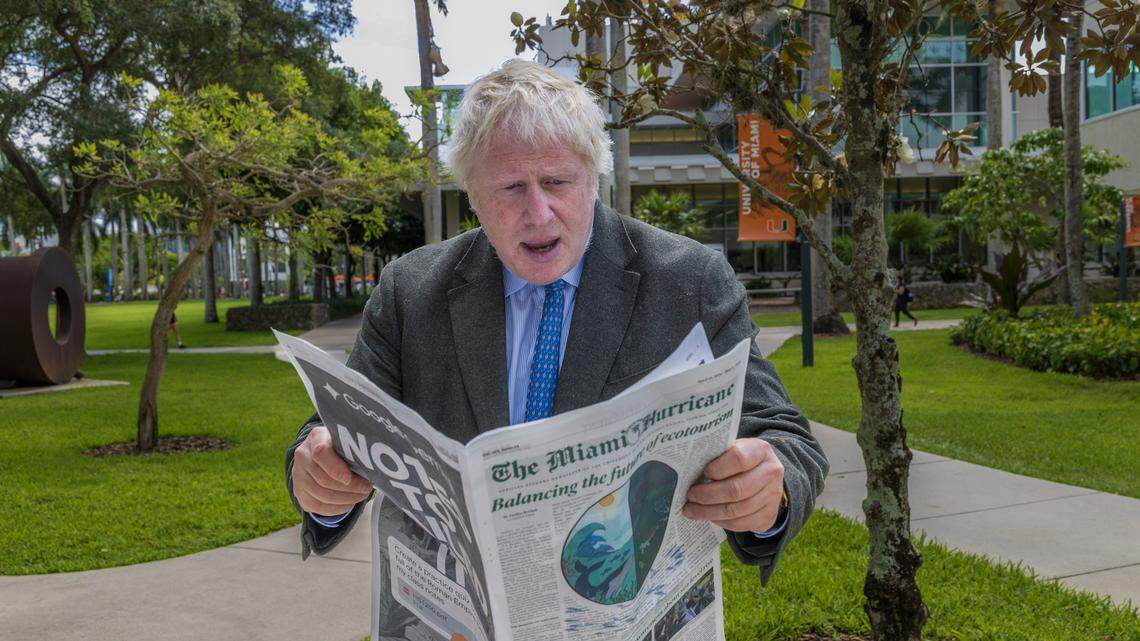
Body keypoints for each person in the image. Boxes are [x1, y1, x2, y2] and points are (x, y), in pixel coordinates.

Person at [285, 60, 828, 636]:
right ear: (472, 194)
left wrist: (769, 494)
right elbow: (336, 430)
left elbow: (786, 439)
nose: (539, 213)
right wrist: (318, 479)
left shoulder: (689, 282)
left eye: (558, 183)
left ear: (593, 177)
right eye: (511, 188)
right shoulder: (411, 293)